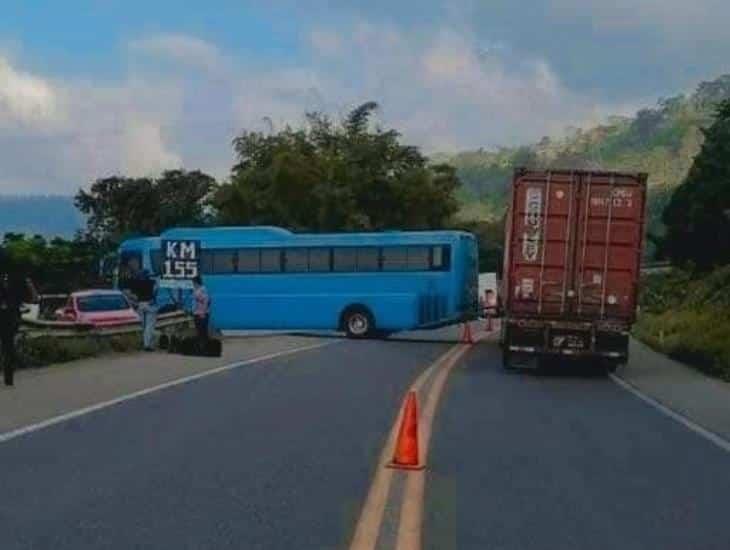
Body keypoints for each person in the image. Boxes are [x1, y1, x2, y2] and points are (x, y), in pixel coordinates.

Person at [0, 252, 39, 387]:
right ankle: (8, 379)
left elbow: (33, 299)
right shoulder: (17, 277)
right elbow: (33, 298)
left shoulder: (17, 278)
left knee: (8, 348)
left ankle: (8, 378)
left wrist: (29, 286)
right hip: (10, 316)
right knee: (8, 348)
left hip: (9, 316)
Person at [191, 275, 210, 352]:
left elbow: (205, 301)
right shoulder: (197, 289)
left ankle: (204, 347)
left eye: (193, 282)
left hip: (201, 313)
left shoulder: (202, 290)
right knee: (200, 331)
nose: (193, 284)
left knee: (202, 331)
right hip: (197, 313)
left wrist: (203, 313)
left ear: (196, 282)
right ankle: (201, 347)